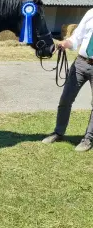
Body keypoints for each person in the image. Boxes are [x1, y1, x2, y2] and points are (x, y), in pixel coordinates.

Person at [42, 8, 93, 152]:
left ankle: (88, 139)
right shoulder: (90, 13)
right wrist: (66, 43)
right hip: (81, 63)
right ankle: (58, 132)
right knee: (65, 99)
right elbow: (77, 37)